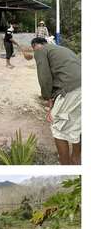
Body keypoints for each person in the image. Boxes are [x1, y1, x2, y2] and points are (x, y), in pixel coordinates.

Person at [31, 37, 81, 165]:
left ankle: (65, 165)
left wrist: (47, 98)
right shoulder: (62, 49)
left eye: (34, 49)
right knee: (77, 125)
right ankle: (76, 159)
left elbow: (44, 77)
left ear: (36, 45)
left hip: (71, 89)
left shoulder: (41, 50)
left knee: (58, 128)